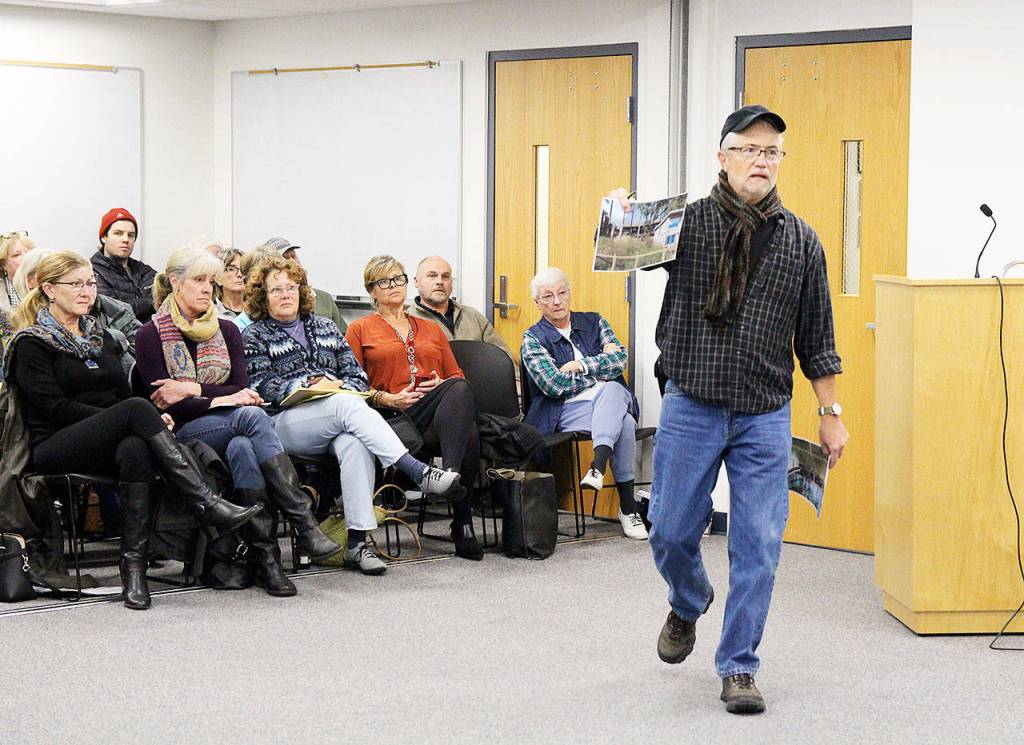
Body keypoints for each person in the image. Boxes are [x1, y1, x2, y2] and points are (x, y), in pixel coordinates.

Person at [635, 105, 847, 714]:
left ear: (780, 162)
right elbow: (622, 251)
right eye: (748, 148)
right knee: (672, 530)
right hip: (691, 403)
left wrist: (831, 410)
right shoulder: (686, 224)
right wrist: (622, 215)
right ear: (722, 157)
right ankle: (687, 599)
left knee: (758, 542)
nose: (761, 159)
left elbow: (817, 335)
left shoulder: (802, 240)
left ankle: (739, 666)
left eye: (771, 151)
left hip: (763, 413)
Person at [4, 251, 260, 610]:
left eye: (91, 283)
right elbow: (53, 409)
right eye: (76, 284)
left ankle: (133, 571)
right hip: (53, 443)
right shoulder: (31, 343)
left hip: (106, 437)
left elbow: (120, 396)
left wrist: (146, 420)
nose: (87, 291)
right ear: (48, 288)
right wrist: (128, 416)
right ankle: (206, 502)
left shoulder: (103, 338)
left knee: (136, 449)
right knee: (138, 410)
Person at [135, 246, 342, 596]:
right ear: (175, 283)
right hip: (181, 435)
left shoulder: (228, 330)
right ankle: (303, 522)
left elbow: (241, 386)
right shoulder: (150, 335)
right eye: (198, 280)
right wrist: (220, 398)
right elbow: (166, 404)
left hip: (232, 427)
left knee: (245, 446)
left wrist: (192, 388)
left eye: (211, 282)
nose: (207, 289)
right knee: (250, 415)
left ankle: (266, 559)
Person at [242, 256, 463, 573]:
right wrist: (309, 383)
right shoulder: (255, 335)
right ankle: (416, 471)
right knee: (346, 406)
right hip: (284, 423)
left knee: (354, 442)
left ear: (302, 291)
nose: (286, 294)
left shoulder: (325, 327)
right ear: (263, 297)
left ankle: (358, 543)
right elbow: (260, 387)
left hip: (335, 418)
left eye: (291, 287)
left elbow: (358, 378)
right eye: (276, 289)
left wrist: (336, 385)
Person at [346, 255, 484, 561]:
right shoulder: (359, 329)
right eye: (385, 281)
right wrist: (387, 398)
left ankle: (449, 481)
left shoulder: (430, 329)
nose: (394, 286)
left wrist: (438, 385)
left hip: (429, 412)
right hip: (388, 416)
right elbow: (350, 388)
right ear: (372, 290)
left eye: (399, 279)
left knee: (463, 404)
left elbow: (456, 376)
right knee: (468, 430)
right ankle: (459, 515)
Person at [520, 267, 646, 540]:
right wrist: (599, 370)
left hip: (606, 405)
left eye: (562, 293)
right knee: (617, 402)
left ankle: (598, 466)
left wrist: (581, 365)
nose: (557, 301)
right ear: (537, 303)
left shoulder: (595, 321)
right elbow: (553, 385)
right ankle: (627, 506)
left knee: (617, 403)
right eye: (548, 296)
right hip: (564, 411)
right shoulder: (532, 339)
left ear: (570, 293)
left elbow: (620, 360)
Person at [408, 255, 511, 354]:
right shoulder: (406, 323)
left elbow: (503, 359)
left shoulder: (473, 317)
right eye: (432, 276)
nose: (439, 281)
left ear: (451, 283)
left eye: (445, 277)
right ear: (416, 281)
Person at [263, 237, 347, 334]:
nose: (293, 262)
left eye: (293, 256)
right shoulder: (272, 301)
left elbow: (345, 337)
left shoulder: (324, 299)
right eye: (285, 258)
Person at [91, 207, 158, 323]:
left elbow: (166, 296)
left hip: (152, 333)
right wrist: (151, 302)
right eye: (118, 233)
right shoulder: (92, 271)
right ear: (103, 237)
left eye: (131, 235)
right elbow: (112, 308)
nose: (125, 239)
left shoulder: (143, 270)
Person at [1, 231, 33, 357]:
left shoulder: (42, 285)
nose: (25, 257)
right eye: (17, 255)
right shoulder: (2, 292)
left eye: (27, 252)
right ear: (3, 264)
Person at [213, 247, 246, 319]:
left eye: (243, 268)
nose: (239, 274)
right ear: (218, 278)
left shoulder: (256, 311)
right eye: (231, 269)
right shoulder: (212, 313)